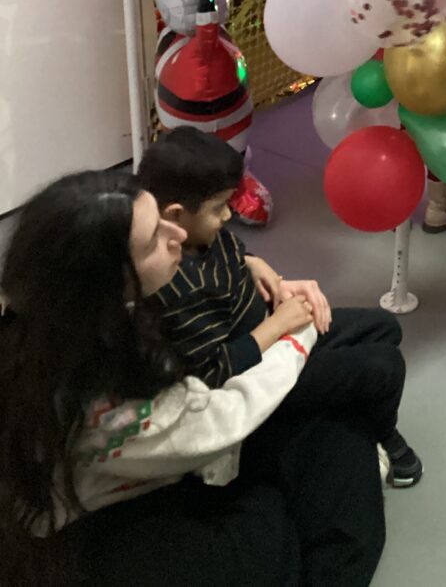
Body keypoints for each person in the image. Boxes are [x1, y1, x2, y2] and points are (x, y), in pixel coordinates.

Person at [0, 171, 386, 587]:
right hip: (101, 527)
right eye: (153, 240)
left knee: (339, 424)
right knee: (284, 511)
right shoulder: (101, 397)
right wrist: (296, 331)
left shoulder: (59, 313)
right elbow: (224, 417)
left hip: (155, 459)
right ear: (110, 282)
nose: (178, 235)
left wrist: (252, 266)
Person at [138, 128, 421, 488]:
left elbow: (232, 255)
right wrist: (278, 326)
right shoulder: (173, 284)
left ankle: (349, 411)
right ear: (176, 216)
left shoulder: (201, 236)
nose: (227, 215)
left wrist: (262, 269)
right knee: (384, 365)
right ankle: (381, 435)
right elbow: (212, 375)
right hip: (258, 373)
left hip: (272, 332)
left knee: (384, 327)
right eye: (218, 207)